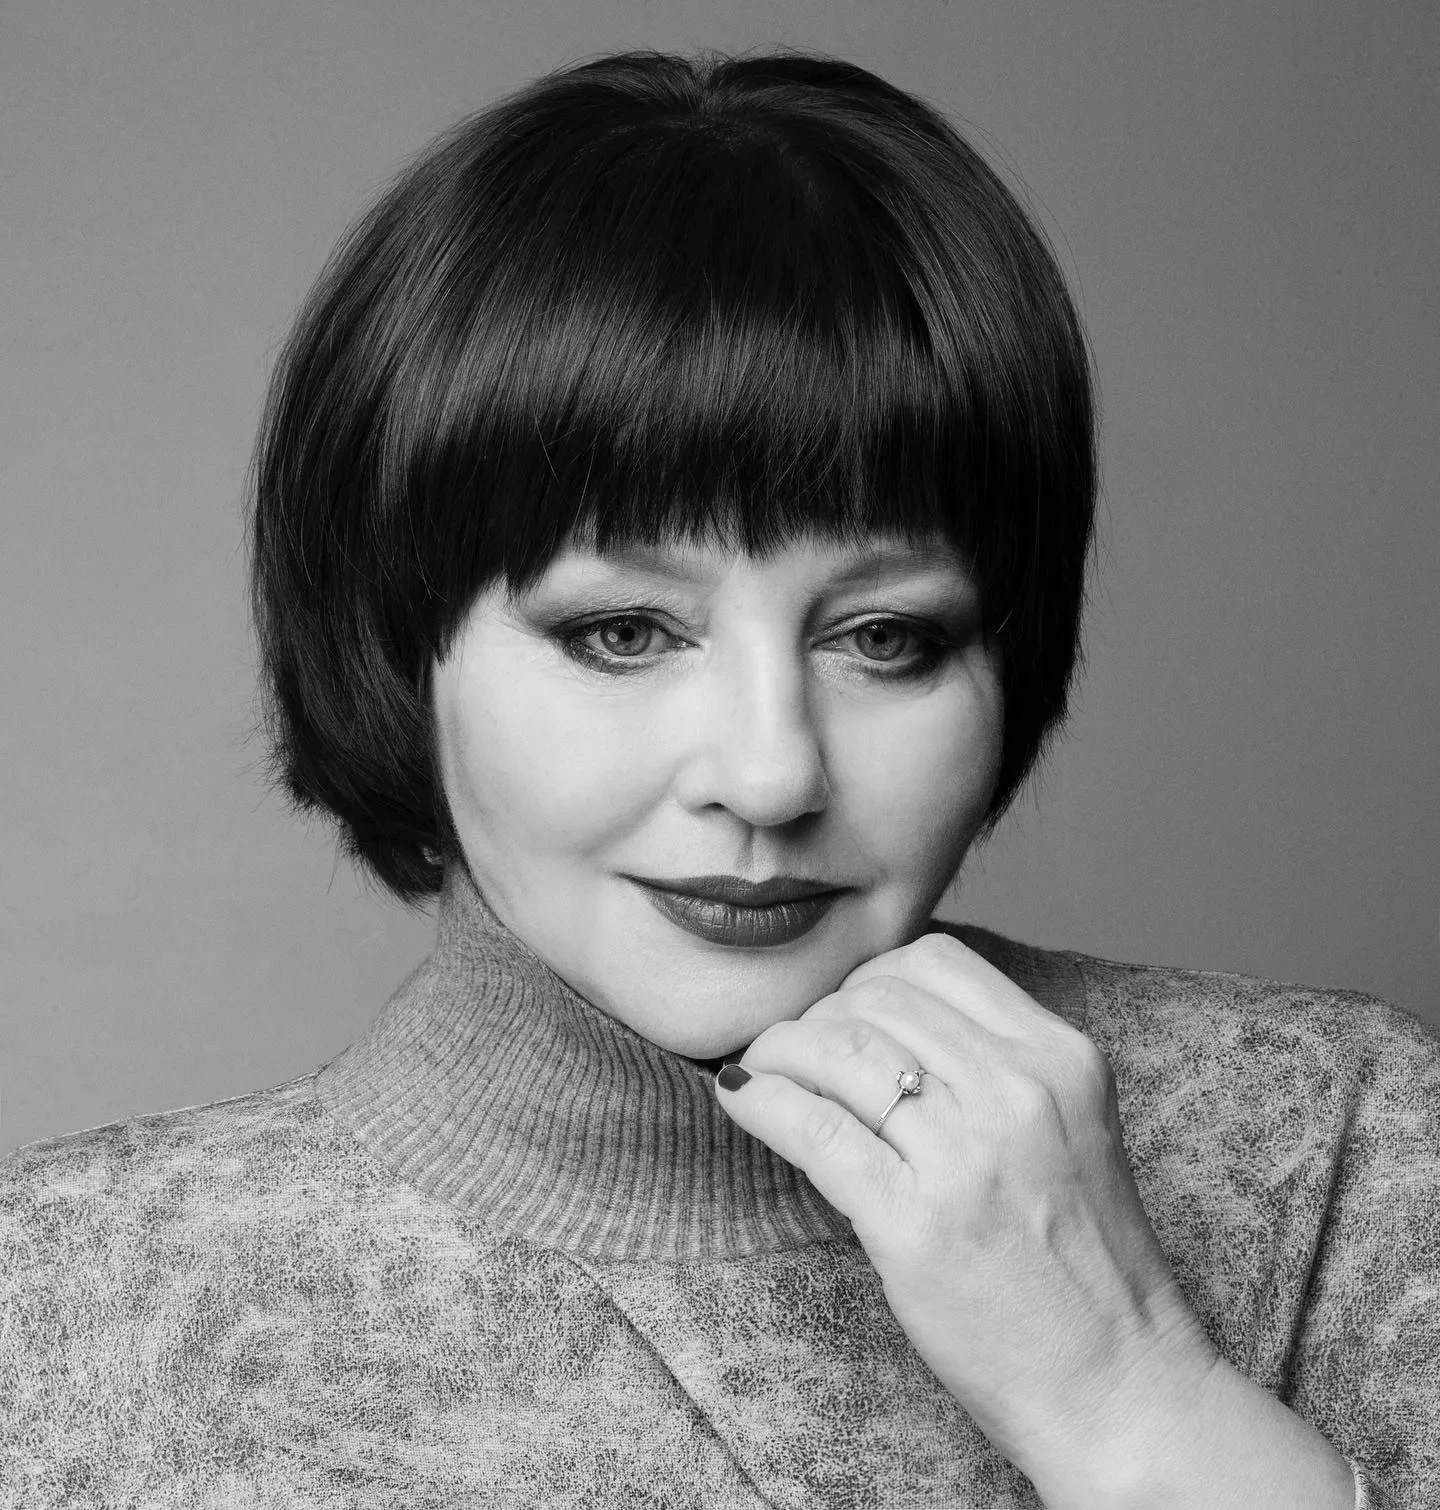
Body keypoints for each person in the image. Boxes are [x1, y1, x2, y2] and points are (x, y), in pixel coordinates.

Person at [1, 46, 1435, 1510]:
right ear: (392, 645)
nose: (770, 773)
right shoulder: (66, 1305)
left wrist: (1129, 1397)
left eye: (883, 636)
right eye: (622, 632)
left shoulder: (1337, 1145)